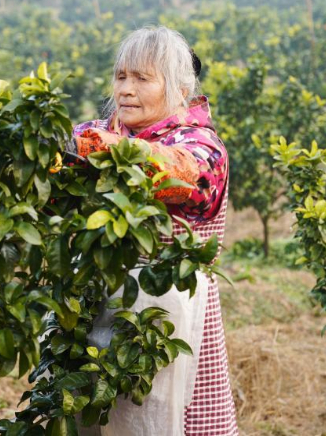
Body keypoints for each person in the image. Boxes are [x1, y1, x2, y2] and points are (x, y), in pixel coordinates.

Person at [65, 26, 238, 436]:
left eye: (142, 78)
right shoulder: (100, 133)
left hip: (168, 315)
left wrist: (101, 150)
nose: (126, 89)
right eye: (122, 76)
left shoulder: (200, 143)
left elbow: (190, 177)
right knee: (93, 414)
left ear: (177, 87)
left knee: (166, 416)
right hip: (94, 303)